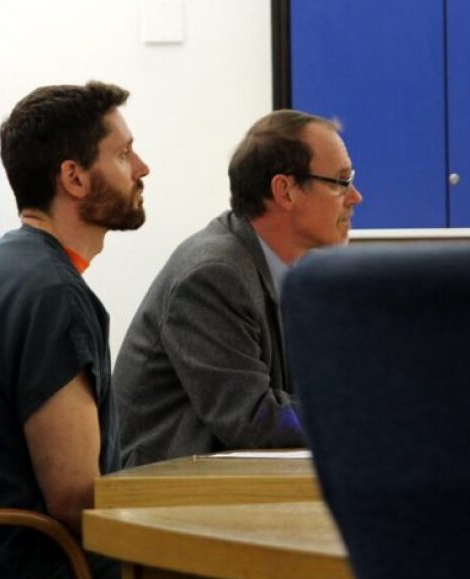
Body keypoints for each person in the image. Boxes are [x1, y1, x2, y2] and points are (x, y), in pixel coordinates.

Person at [0, 81, 150, 579]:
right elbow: (74, 497)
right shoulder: (52, 295)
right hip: (35, 576)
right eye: (122, 153)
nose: (141, 167)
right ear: (73, 176)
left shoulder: (3, 265)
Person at [115, 109, 362, 466]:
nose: (355, 196)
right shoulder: (214, 274)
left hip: (231, 485)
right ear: (285, 191)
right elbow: (252, 420)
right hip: (168, 499)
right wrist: (359, 420)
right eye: (340, 182)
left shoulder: (296, 267)